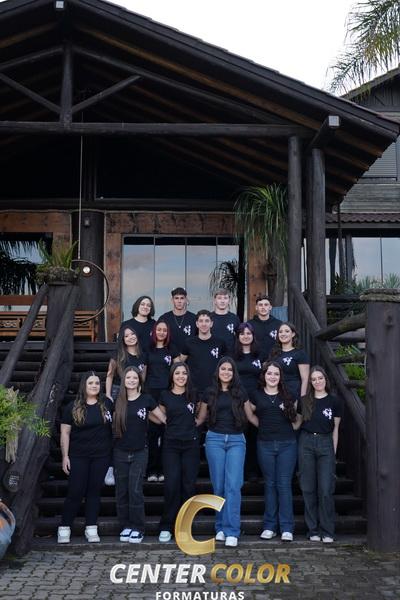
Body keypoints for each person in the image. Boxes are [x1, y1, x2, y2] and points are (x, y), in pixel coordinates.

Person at [197, 357, 248, 547]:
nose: (226, 372)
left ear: (234, 373)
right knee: (218, 486)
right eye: (223, 369)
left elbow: (251, 415)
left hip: (236, 440)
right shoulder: (209, 392)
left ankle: (232, 530)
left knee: (233, 486)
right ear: (218, 371)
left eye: (229, 369)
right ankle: (220, 527)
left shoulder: (241, 392)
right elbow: (200, 418)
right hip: (214, 440)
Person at [245, 361, 298, 542]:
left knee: (284, 484)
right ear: (264, 375)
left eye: (276, 374)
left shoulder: (289, 395)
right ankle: (269, 526)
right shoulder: (256, 395)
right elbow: (249, 414)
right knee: (270, 484)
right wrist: (262, 426)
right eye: (269, 373)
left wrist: (290, 426)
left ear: (280, 376)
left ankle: (287, 527)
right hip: (265, 444)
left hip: (287, 444)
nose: (272, 377)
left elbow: (296, 418)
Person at [57, 371, 113, 544]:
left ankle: (91, 528)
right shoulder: (72, 406)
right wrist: (65, 456)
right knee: (75, 491)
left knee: (94, 492)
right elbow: (65, 433)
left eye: (97, 383)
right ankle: (64, 527)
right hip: (78, 456)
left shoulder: (107, 404)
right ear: (84, 385)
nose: (94, 386)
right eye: (91, 383)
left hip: (101, 456)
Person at [113, 367, 166, 544]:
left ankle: (138, 527)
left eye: (135, 378)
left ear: (139, 381)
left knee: (135, 490)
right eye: (128, 377)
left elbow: (162, 419)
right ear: (124, 380)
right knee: (122, 491)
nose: (131, 380)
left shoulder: (146, 399)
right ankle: (125, 526)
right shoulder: (117, 400)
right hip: (120, 451)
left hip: (140, 451)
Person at [297, 366, 343, 543]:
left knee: (325, 489)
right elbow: (297, 424)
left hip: (326, 444)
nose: (317, 382)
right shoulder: (304, 401)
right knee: (308, 488)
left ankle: (328, 531)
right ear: (310, 382)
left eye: (320, 378)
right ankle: (313, 530)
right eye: (314, 379)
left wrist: (333, 452)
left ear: (325, 379)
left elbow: (335, 429)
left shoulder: (334, 401)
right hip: (306, 442)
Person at [157, 362, 200, 542]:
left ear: (188, 376)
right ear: (172, 376)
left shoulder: (194, 394)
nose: (181, 376)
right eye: (177, 373)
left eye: (184, 373)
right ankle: (167, 525)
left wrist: (190, 427)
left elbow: (200, 416)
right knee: (171, 485)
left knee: (188, 485)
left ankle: (184, 527)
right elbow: (158, 415)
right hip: (171, 446)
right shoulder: (165, 395)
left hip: (191, 445)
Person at [104, 326, 148, 486]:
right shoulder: (118, 354)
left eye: (132, 334)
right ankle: (110, 467)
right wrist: (108, 395)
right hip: (118, 391)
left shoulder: (143, 356)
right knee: (116, 429)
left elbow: (143, 377)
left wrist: (139, 394)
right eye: (126, 335)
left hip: (135, 392)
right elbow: (109, 375)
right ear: (122, 339)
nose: (130, 337)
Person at [145, 320, 180, 482]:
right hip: (151, 393)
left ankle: (164, 469)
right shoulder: (148, 349)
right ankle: (152, 470)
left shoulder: (172, 349)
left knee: (167, 434)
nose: (161, 332)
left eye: (164, 330)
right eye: (159, 329)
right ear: (154, 331)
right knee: (152, 434)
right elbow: (143, 373)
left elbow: (179, 370)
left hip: (167, 394)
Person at [234, 322, 267, 481]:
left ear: (253, 336)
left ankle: (253, 471)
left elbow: (267, 377)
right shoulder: (232, 355)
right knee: (239, 438)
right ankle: (239, 471)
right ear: (238, 336)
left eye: (248, 333)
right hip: (237, 401)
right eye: (242, 334)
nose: (245, 336)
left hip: (256, 400)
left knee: (254, 437)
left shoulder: (261, 355)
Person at [181, 310, 227, 396]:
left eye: (207, 321)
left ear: (211, 323)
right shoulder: (189, 342)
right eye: (201, 321)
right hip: (193, 389)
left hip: (214, 388)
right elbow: (180, 363)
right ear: (197, 324)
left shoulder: (220, 343)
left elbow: (226, 364)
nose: (204, 324)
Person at [270, 322, 310, 401]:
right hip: (276, 393)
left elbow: (305, 379)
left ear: (293, 334)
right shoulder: (274, 353)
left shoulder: (300, 354)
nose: (283, 334)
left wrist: (303, 399)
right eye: (280, 332)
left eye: (287, 331)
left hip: (293, 393)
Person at [159, 287, 197, 354]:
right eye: (176, 298)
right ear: (172, 300)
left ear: (186, 300)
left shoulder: (193, 318)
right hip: (169, 356)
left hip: (190, 356)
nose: (179, 301)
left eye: (182, 298)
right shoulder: (164, 318)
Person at [248, 294, 282, 358]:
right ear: (256, 307)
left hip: (275, 360)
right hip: (254, 360)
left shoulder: (279, 324)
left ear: (270, 307)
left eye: (266, 305)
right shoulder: (249, 325)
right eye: (260, 305)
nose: (263, 307)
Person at [210, 288, 240, 354]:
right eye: (219, 298)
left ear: (229, 301)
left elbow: (239, 338)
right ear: (215, 301)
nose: (222, 301)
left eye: (225, 298)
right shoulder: (209, 318)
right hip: (212, 353)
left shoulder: (234, 318)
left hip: (230, 355)